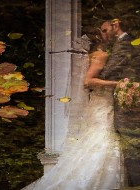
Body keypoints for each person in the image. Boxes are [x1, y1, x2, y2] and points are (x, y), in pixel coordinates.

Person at [30, 31, 122, 190]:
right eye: (107, 33)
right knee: (103, 139)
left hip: (98, 103)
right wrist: (117, 84)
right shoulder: (101, 55)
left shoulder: (93, 55)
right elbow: (88, 81)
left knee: (96, 139)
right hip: (102, 104)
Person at [99, 19, 140, 187]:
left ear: (116, 26)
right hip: (127, 101)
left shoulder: (124, 44)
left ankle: (138, 186)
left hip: (129, 105)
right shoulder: (127, 42)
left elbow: (109, 71)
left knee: (131, 147)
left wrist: (93, 68)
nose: (104, 35)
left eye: (105, 30)